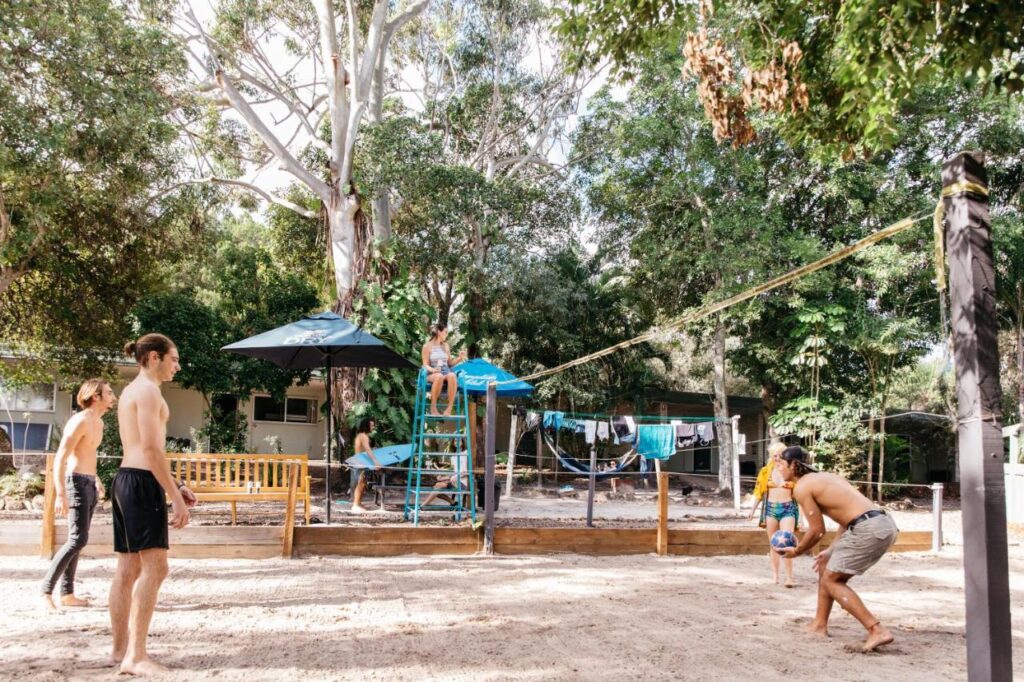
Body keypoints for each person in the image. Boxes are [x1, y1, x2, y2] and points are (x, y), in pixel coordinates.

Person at [108, 333, 197, 675]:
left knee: (128, 570)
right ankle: (136, 657)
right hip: (140, 483)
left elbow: (142, 452)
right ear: (155, 357)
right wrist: (175, 499)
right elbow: (151, 449)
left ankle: (120, 650)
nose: (178, 365)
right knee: (156, 568)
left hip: (126, 480)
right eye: (174, 359)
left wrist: (177, 485)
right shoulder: (147, 391)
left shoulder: (132, 390)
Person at [776, 446, 899, 652]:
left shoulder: (802, 487)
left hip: (868, 528)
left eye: (781, 463)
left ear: (794, 465)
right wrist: (832, 549)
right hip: (883, 523)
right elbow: (846, 518)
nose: (778, 468)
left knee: (832, 579)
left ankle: (876, 630)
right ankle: (819, 625)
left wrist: (796, 552)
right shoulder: (827, 477)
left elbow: (817, 531)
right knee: (826, 566)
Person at [40, 379, 116, 610]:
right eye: (109, 392)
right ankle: (46, 591)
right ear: (96, 396)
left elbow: (86, 454)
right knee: (77, 539)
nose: (113, 396)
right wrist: (61, 493)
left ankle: (67, 594)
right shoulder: (79, 421)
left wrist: (97, 480)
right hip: (75, 483)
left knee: (79, 540)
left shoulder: (99, 423)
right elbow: (62, 457)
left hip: (89, 482)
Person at [748, 442, 800, 587]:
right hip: (771, 508)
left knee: (787, 541)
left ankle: (789, 577)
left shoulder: (791, 470)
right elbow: (759, 492)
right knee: (774, 544)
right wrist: (752, 510)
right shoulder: (765, 471)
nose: (777, 458)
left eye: (780, 455)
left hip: (788, 507)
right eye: (774, 455)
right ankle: (775, 575)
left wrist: (801, 515)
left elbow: (800, 492)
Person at [420, 322, 467, 416]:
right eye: (445, 332)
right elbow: (425, 365)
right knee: (439, 376)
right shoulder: (427, 346)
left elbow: (450, 363)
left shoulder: (446, 345)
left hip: (445, 371)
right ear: (439, 332)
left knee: (452, 375)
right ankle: (433, 407)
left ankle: (449, 408)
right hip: (432, 373)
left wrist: (460, 358)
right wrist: (433, 370)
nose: (447, 334)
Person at [350, 418, 381, 513]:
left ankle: (358, 503)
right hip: (360, 462)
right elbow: (367, 450)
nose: (373, 427)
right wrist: (376, 461)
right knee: (359, 484)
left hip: (361, 462)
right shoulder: (363, 436)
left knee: (362, 483)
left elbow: (366, 449)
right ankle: (355, 505)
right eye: (371, 425)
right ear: (366, 426)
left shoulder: (362, 435)